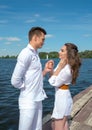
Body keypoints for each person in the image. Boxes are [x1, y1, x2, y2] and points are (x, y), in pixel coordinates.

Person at [11, 26, 53, 130]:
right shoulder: (26, 53)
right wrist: (27, 87)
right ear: (35, 38)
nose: (44, 42)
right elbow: (15, 81)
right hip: (28, 101)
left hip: (38, 99)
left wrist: (45, 71)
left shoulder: (35, 53)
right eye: (43, 39)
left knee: (37, 128)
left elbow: (35, 77)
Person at [48, 43, 81, 130]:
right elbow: (53, 77)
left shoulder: (67, 69)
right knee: (62, 124)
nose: (59, 52)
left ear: (68, 54)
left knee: (58, 126)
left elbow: (52, 82)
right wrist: (51, 69)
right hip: (61, 97)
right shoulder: (63, 64)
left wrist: (59, 68)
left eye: (62, 50)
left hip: (62, 99)